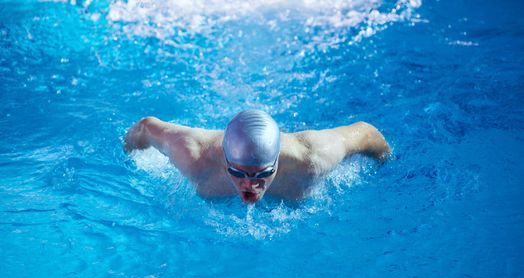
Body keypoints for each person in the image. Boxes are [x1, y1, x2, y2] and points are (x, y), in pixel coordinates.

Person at [124, 110, 390, 203]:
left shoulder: (312, 159)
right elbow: (145, 127)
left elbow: (366, 133)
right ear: (224, 159)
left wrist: (389, 167)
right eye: (238, 172)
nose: (250, 185)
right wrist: (129, 165)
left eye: (263, 174)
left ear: (277, 161)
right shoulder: (195, 156)